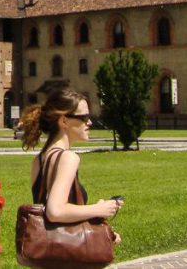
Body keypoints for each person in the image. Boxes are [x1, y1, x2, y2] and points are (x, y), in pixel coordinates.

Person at [19, 89, 123, 238]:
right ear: (64, 121)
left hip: (48, 250)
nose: (90, 122)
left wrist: (97, 214)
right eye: (84, 117)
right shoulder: (68, 158)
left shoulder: (39, 160)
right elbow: (55, 211)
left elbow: (54, 214)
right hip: (65, 256)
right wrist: (98, 209)